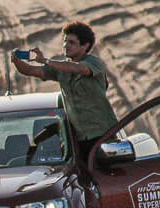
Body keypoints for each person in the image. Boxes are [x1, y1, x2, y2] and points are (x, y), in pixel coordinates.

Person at [12, 20, 116, 155]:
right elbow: (31, 71)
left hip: (102, 135)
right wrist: (17, 61)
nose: (66, 45)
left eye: (72, 42)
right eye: (65, 41)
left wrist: (46, 60)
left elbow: (77, 68)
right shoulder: (60, 68)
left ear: (85, 46)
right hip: (78, 140)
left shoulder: (94, 63)